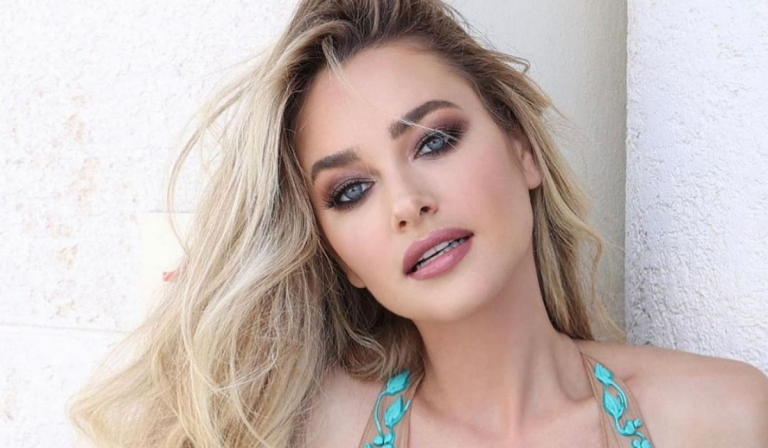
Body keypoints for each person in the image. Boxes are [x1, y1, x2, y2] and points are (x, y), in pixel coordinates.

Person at [70, 0, 768, 447]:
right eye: (351, 191)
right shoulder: (314, 431)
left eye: (434, 141)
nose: (407, 202)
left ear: (521, 148)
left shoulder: (720, 417)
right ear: (340, 257)